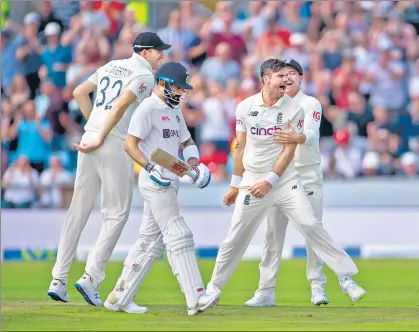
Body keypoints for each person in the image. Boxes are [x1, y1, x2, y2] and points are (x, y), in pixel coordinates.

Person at [205, 59, 367, 304]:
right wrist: (235, 184)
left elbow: (297, 145)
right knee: (248, 237)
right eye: (281, 75)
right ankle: (230, 291)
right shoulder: (246, 106)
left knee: (311, 226)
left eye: (290, 74)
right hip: (255, 180)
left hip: (292, 179)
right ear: (266, 78)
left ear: (301, 78)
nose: (286, 79)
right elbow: (239, 148)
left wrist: (293, 144)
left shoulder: (301, 106)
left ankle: (339, 279)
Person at [47, 32, 171, 306]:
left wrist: (93, 127)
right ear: (145, 51)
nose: (162, 55)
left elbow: (79, 92)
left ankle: (58, 278)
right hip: (112, 141)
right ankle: (91, 277)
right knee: (115, 213)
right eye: (158, 51)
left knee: (78, 210)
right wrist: (104, 134)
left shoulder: (111, 65)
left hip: (90, 136)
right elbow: (121, 104)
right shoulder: (145, 76)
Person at [103, 62, 218, 316]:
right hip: (154, 182)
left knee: (150, 242)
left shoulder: (173, 109)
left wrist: (194, 166)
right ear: (164, 84)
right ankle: (196, 297)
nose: (181, 93)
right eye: (178, 88)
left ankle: (118, 296)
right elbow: (130, 145)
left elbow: (186, 141)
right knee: (178, 233)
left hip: (172, 177)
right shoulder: (147, 108)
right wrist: (148, 168)